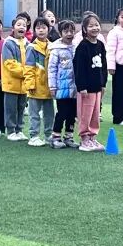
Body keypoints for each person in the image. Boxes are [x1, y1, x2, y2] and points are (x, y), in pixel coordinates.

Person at [73, 12, 108, 152]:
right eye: (91, 26)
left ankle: (93, 137)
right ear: (84, 29)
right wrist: (82, 87)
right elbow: (79, 68)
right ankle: (84, 138)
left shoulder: (100, 45)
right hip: (86, 88)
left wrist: (103, 83)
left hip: (97, 87)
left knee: (95, 114)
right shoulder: (82, 46)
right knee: (85, 114)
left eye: (96, 25)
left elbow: (103, 66)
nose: (94, 28)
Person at [47, 20, 78, 149]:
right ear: (60, 33)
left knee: (72, 113)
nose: (69, 34)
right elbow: (52, 69)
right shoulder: (56, 49)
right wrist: (52, 86)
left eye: (71, 31)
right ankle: (55, 137)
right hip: (61, 87)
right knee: (62, 113)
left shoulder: (76, 47)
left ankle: (69, 136)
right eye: (66, 31)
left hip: (75, 88)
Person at [24, 16, 55, 147]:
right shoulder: (32, 47)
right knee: (34, 114)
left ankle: (48, 135)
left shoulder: (52, 46)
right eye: (38, 28)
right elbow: (29, 67)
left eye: (43, 27)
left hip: (49, 87)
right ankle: (34, 136)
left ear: (49, 29)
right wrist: (30, 84)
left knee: (49, 114)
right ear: (34, 30)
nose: (41, 30)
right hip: (35, 86)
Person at [0, 16, 29, 141]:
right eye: (19, 25)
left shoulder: (27, 43)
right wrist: (26, 72)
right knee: (11, 108)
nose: (21, 27)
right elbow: (9, 63)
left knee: (21, 107)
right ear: (13, 28)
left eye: (24, 25)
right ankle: (11, 130)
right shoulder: (8, 43)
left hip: (24, 84)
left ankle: (19, 130)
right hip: (11, 83)